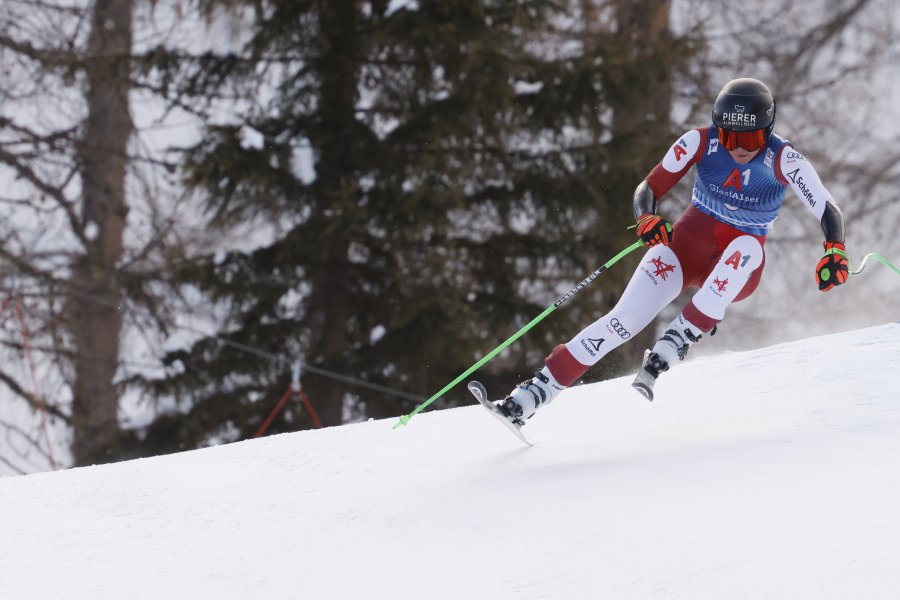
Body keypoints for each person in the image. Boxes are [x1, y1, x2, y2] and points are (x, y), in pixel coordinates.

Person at [495, 77, 848, 426]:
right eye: (729, 136)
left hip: (737, 267)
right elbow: (650, 185)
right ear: (717, 128)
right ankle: (533, 394)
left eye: (750, 138)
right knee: (623, 321)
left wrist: (835, 249)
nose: (739, 148)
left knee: (745, 245)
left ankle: (682, 334)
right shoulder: (699, 141)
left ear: (768, 130)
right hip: (685, 249)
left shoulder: (784, 159)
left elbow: (827, 208)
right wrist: (646, 218)